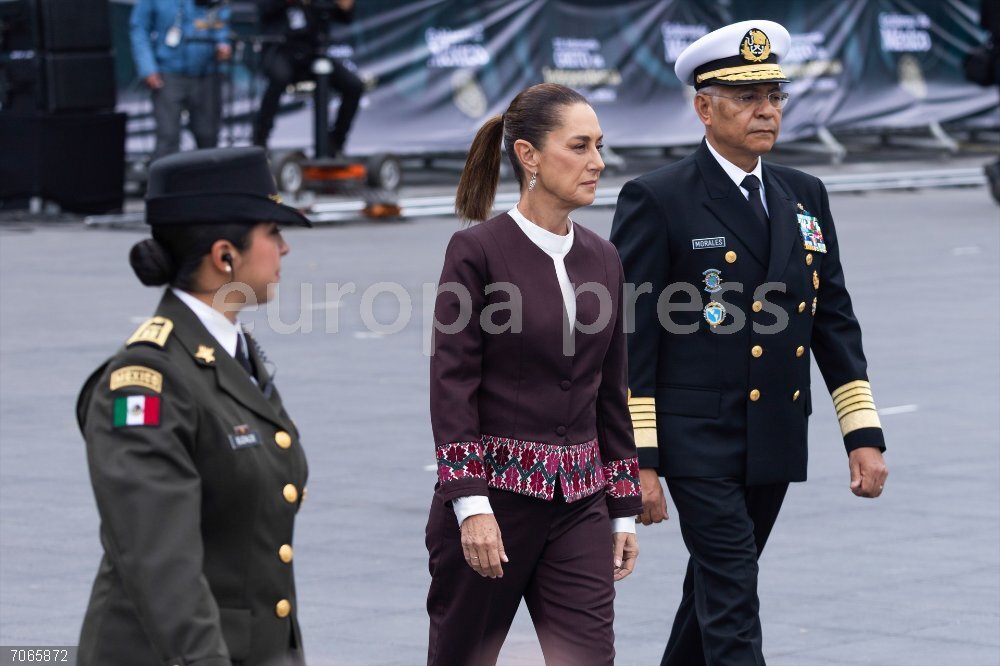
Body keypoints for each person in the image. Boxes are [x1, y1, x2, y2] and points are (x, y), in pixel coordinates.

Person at [610, 20, 889, 666]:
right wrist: (639, 460)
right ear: (704, 108)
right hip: (695, 437)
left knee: (713, 588)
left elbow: (832, 317)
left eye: (774, 95)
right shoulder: (658, 198)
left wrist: (862, 433)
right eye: (745, 97)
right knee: (734, 593)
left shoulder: (803, 194)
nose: (766, 110)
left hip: (773, 430)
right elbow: (632, 335)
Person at [425, 83, 643, 666]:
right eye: (579, 146)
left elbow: (610, 389)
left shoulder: (604, 257)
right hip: (493, 504)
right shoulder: (477, 252)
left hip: (580, 505)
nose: (597, 161)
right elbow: (452, 385)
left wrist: (622, 508)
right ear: (528, 156)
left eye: (599, 145)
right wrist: (469, 505)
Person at [76, 147, 312, 666]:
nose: (285, 248)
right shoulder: (145, 383)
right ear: (225, 256)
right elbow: (162, 565)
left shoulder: (228, 352)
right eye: (272, 232)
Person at [252, 0, 362, 156]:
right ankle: (260, 139)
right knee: (279, 77)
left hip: (312, 53)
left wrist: (346, 7)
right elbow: (264, 8)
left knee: (354, 86)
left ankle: (335, 143)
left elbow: (343, 17)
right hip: (282, 50)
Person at [129, 0, 232, 161]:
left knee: (208, 135)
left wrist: (223, 43)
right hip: (167, 72)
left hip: (206, 72)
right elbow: (139, 28)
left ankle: (208, 184)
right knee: (168, 135)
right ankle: (165, 185)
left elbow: (221, 21)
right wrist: (148, 68)